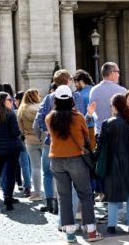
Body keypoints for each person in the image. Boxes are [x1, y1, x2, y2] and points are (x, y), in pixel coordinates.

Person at [46, 85, 102, 243]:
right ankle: (91, 231)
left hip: (56, 160)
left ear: (55, 99)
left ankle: (69, 232)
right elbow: (88, 140)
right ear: (71, 99)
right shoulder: (78, 117)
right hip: (76, 159)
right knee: (85, 194)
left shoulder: (49, 118)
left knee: (64, 197)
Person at [34, 70, 88, 214]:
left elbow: (38, 122)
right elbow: (81, 119)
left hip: (51, 144)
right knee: (76, 180)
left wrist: (47, 136)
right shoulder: (76, 96)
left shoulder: (47, 98)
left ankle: (51, 202)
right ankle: (76, 210)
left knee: (48, 173)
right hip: (74, 146)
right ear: (68, 80)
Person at [98, 94, 129, 234]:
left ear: (115, 106)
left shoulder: (107, 123)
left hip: (113, 162)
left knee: (112, 195)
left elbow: (101, 145)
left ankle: (111, 226)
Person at [18, 89, 45, 202]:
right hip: (44, 139)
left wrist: (25, 135)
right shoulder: (42, 106)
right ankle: (52, 193)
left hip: (30, 140)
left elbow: (20, 128)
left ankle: (37, 193)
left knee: (35, 167)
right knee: (48, 168)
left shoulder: (22, 109)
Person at [90, 62, 127, 134]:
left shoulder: (93, 90)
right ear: (111, 73)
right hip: (118, 131)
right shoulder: (122, 90)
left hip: (100, 131)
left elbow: (92, 111)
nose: (119, 75)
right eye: (118, 72)